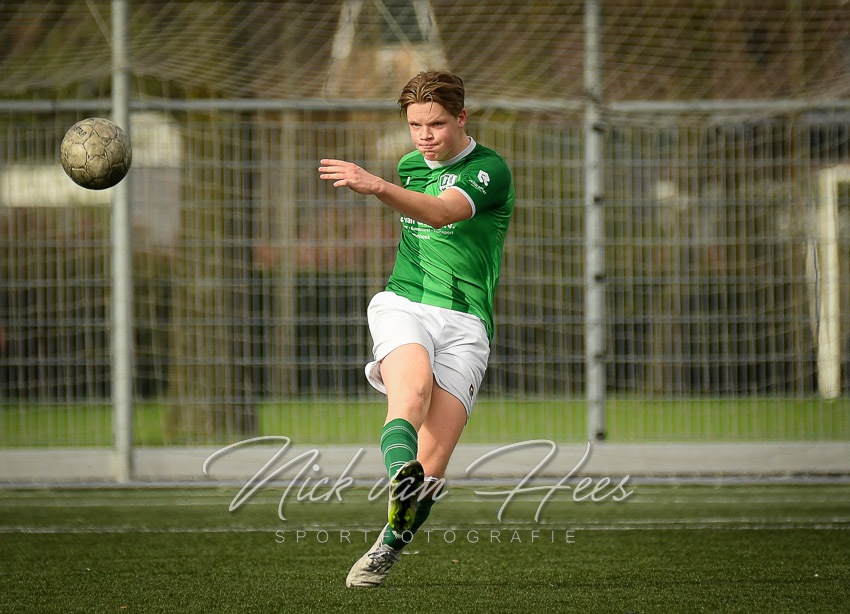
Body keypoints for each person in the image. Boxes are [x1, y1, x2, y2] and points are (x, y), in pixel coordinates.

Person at [318, 69, 515, 588]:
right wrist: (384, 186)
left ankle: (388, 545)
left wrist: (376, 186)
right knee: (412, 392)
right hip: (405, 303)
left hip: (467, 322)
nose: (425, 136)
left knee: (435, 460)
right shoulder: (409, 166)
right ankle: (400, 476)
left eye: (437, 124)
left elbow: (443, 214)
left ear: (462, 118)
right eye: (415, 125)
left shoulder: (489, 169)